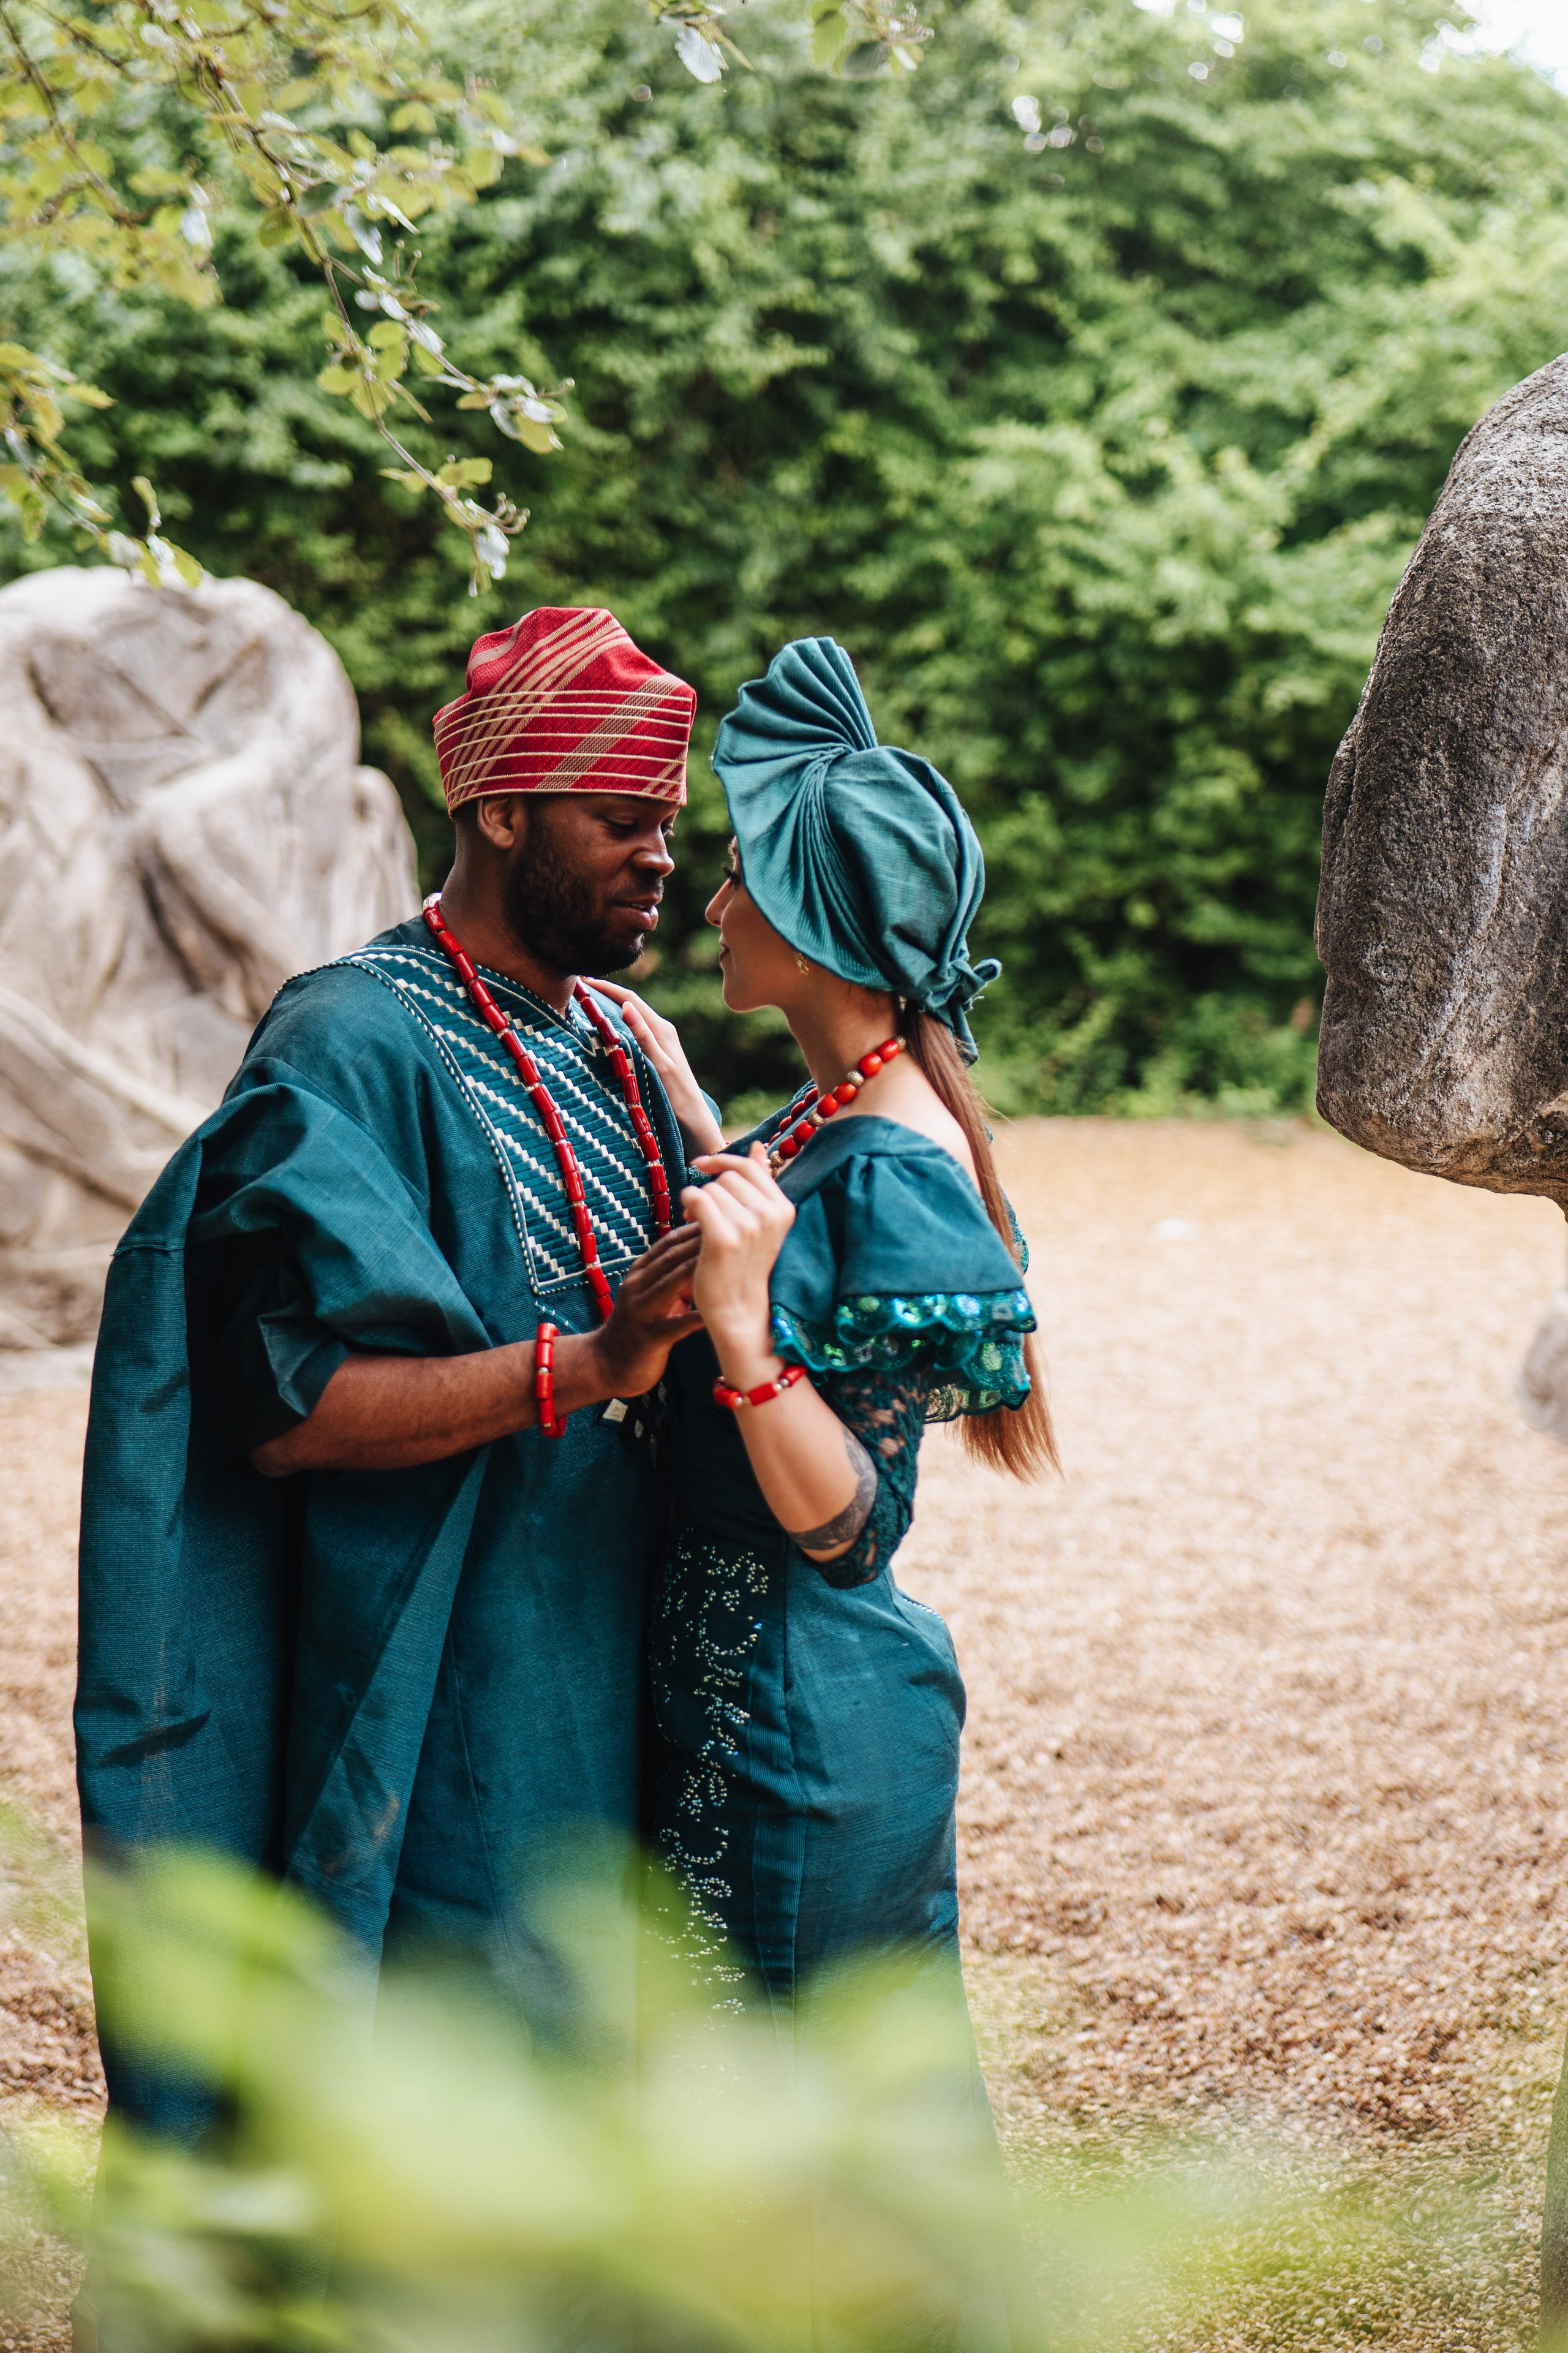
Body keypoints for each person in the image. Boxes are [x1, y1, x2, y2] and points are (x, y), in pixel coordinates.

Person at [75, 605, 718, 2134]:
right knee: (441, 2089)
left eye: (668, 825)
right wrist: (592, 1358)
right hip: (441, 1690)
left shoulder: (624, 1045)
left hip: (621, 1663)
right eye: (620, 819)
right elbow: (291, 1409)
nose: (658, 858)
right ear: (501, 808)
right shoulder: (347, 1041)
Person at [606, 635, 1055, 2009]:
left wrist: (738, 1339)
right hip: (742, 1712)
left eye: (739, 876)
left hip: (798, 1738)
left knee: (796, 2174)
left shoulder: (898, 1164)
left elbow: (851, 1529)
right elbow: (788, 1202)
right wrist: (692, 1115)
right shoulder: (842, 1106)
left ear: (808, 922)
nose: (711, 907)